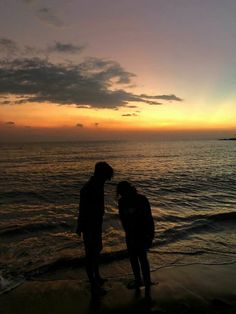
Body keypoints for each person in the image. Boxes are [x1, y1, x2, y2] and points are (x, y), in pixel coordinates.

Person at [76, 162, 113, 295]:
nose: (106, 180)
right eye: (105, 177)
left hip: (96, 224)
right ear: (100, 174)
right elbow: (82, 209)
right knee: (90, 253)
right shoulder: (88, 188)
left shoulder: (98, 185)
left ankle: (96, 276)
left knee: (97, 250)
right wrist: (80, 226)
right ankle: (93, 283)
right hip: (89, 225)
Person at [117, 181, 154, 297]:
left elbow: (149, 218)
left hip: (142, 233)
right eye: (121, 193)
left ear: (128, 190)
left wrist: (150, 235)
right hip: (130, 234)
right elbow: (123, 219)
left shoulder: (141, 199)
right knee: (133, 258)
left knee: (142, 258)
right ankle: (138, 280)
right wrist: (128, 232)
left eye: (123, 192)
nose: (122, 195)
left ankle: (147, 283)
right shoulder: (121, 202)